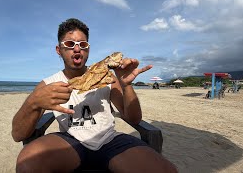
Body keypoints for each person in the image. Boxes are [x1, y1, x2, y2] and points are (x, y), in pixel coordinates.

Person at [12, 18, 177, 173]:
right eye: (69, 44)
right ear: (59, 50)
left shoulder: (107, 78)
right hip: (69, 140)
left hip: (109, 140)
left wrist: (126, 86)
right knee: (27, 164)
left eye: (82, 44)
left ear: (88, 49)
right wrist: (33, 103)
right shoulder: (49, 84)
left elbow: (133, 119)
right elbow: (18, 135)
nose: (77, 49)